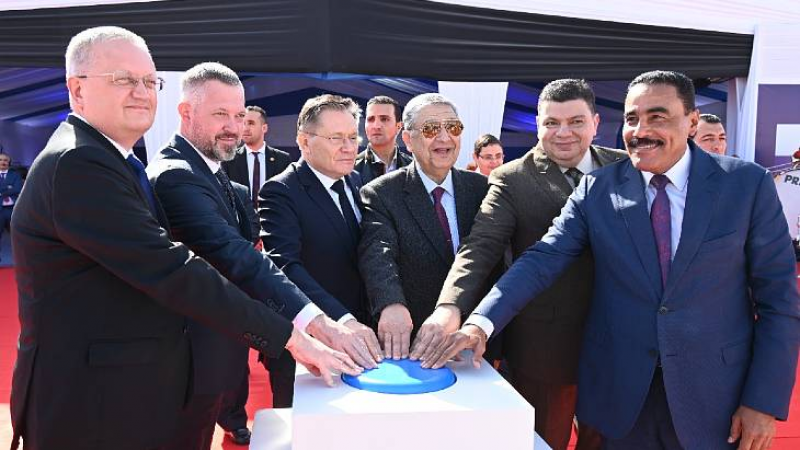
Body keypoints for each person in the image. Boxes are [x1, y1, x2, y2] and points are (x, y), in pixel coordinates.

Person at [9, 26, 356, 450]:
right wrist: (293, 337)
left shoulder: (109, 158)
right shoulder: (79, 162)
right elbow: (173, 269)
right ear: (77, 90)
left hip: (126, 390)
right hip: (93, 404)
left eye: (148, 81)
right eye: (123, 79)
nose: (141, 92)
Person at [430, 71, 799, 450]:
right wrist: (480, 324)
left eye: (657, 117)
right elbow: (541, 259)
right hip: (624, 400)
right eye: (632, 118)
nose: (640, 130)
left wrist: (763, 401)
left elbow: (780, 301)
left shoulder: (746, 185)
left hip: (716, 399)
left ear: (691, 122)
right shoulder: (598, 188)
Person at [146, 62, 376, 449]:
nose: (233, 127)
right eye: (220, 114)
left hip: (220, 352)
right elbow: (239, 257)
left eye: (239, 116)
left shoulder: (212, 170)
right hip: (189, 361)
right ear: (185, 112)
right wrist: (320, 327)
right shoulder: (176, 174)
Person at [414, 79, 625, 450]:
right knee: (545, 441)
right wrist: (450, 306)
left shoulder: (626, 167)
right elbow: (479, 247)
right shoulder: (512, 178)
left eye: (575, 122)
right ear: (537, 125)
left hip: (619, 343)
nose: (563, 133)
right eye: (551, 123)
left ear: (595, 123)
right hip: (545, 349)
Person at [259, 94, 381, 407]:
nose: (349, 147)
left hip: (363, 339)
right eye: (336, 138)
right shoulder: (280, 191)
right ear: (304, 141)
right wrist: (341, 319)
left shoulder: (356, 181)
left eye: (353, 137)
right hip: (308, 346)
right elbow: (285, 267)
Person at [358, 93, 489, 359]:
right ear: (408, 139)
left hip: (473, 340)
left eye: (453, 127)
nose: (444, 138)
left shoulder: (482, 189)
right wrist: (391, 303)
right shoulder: (382, 193)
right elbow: (378, 254)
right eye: (430, 129)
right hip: (414, 344)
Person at [222, 105, 291, 207]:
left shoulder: (282, 159)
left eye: (251, 123)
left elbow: (287, 196)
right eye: (243, 123)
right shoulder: (228, 160)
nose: (245, 128)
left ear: (264, 128)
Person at [355, 95, 412, 184]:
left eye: (384, 119)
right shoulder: (350, 169)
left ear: (398, 126)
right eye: (370, 119)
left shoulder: (415, 168)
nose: (376, 126)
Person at [0, 152, 22, 260]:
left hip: (12, 210)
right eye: (0, 160)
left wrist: (1, 191)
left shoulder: (15, 175)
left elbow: (17, 189)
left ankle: (21, 260)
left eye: (5, 160)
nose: (3, 162)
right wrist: (8, 187)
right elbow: (13, 189)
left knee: (17, 236)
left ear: (9, 162)